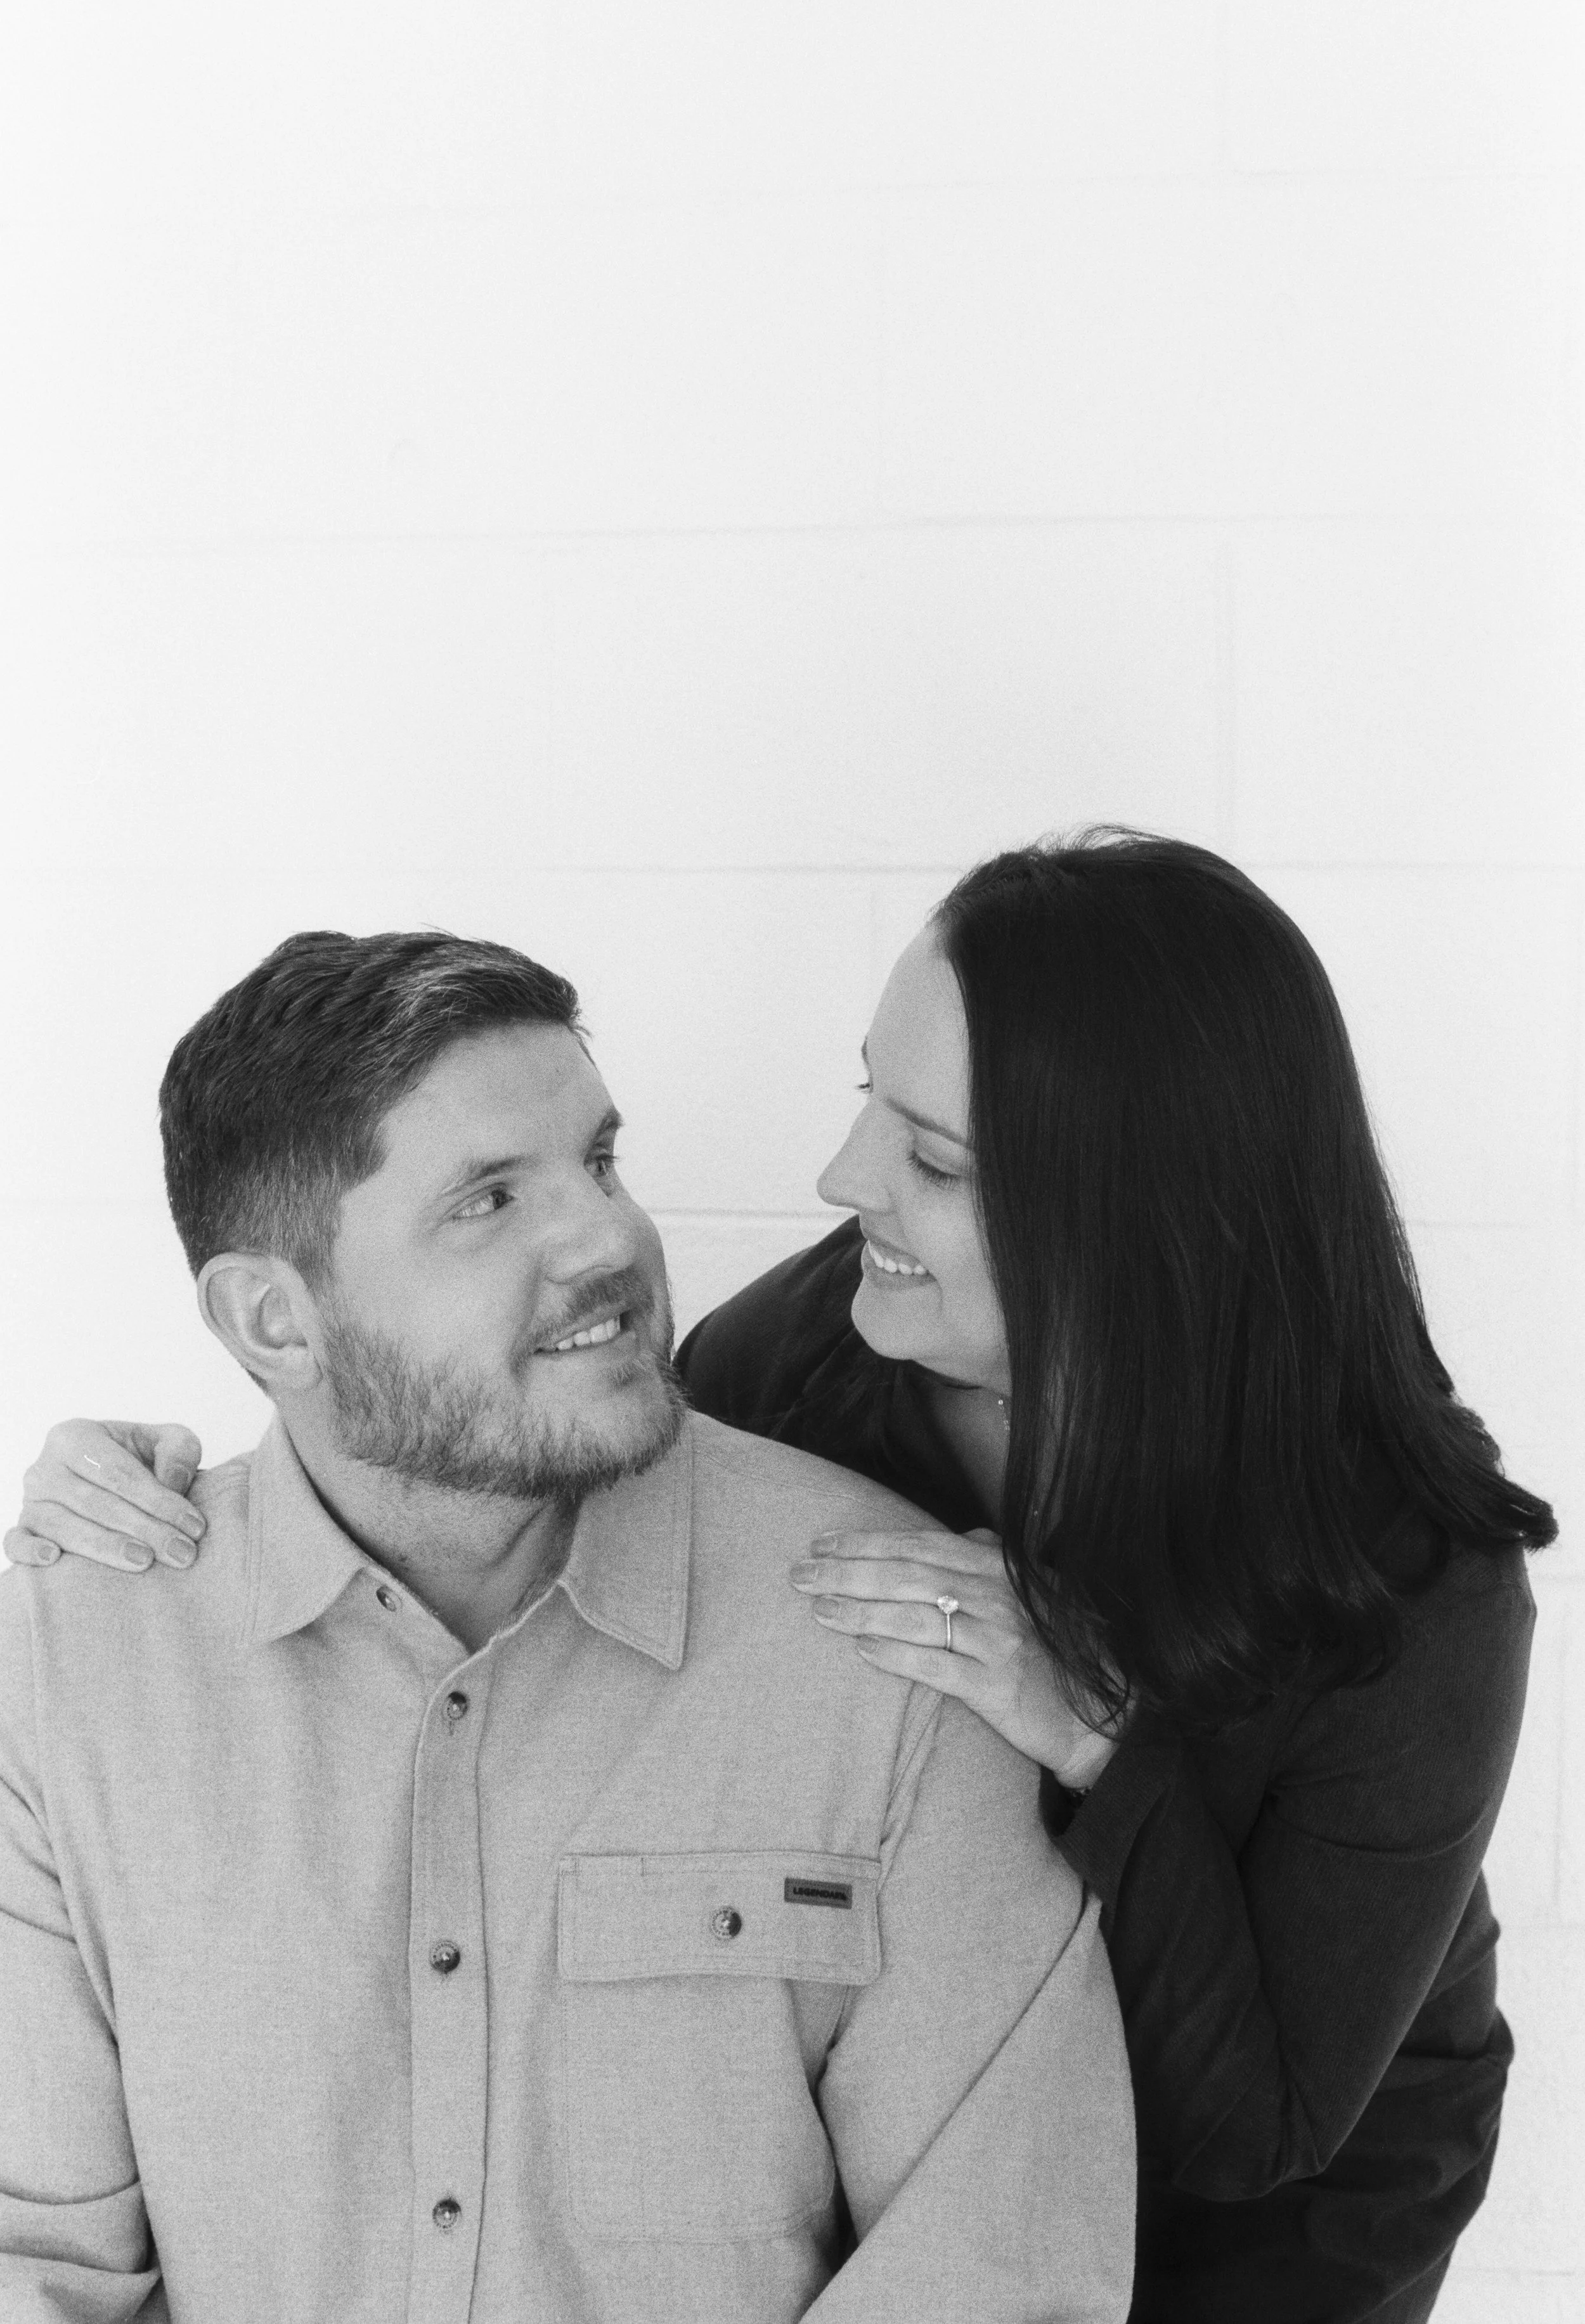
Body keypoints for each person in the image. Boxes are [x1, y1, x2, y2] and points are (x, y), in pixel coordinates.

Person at [11, 833, 1553, 2323]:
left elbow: (1241, 2135)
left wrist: (1097, 1735)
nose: (837, 1176)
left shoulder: (1417, 1581)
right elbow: (464, 1427)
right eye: (868, 1100)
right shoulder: (796, 1364)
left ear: (1125, 1222)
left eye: (931, 1158)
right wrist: (173, 1515)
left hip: (1287, 2188)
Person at [0, 927, 1135, 2324]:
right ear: (275, 1326)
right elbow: (29, 2261)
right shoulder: (66, 1677)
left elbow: (993, 2268)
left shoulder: (897, 1636)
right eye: (486, 1201)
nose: (610, 1240)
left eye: (598, 1162)